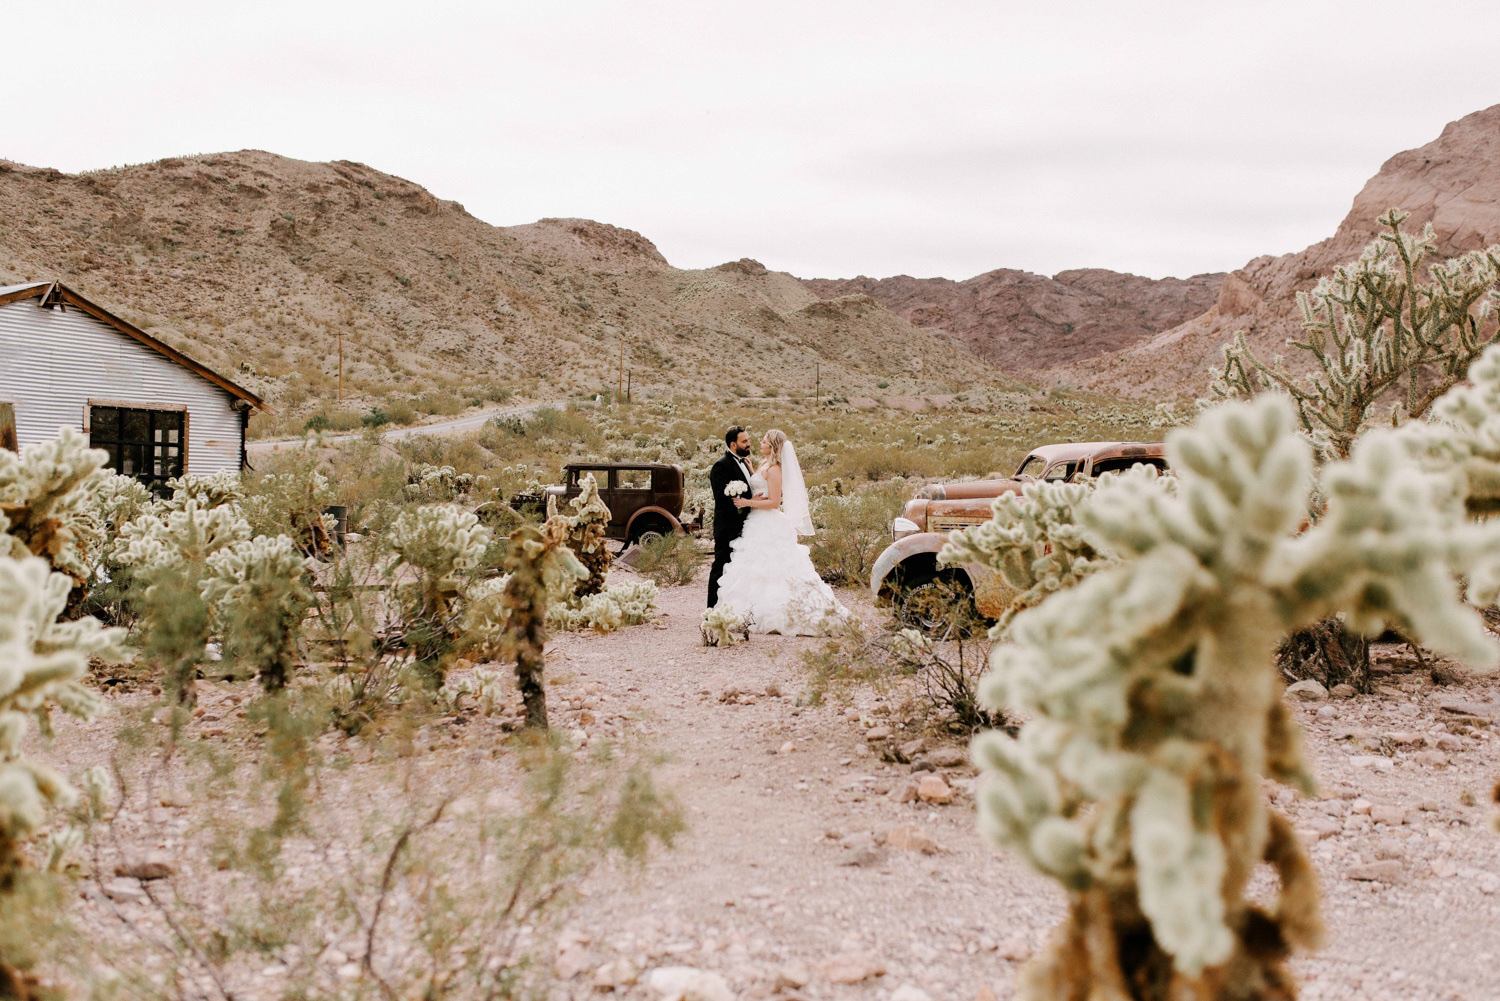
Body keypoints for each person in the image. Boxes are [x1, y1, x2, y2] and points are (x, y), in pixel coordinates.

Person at [715, 429, 849, 634]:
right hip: (755, 522)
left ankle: (777, 612)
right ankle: (751, 609)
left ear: (773, 446)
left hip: (767, 522)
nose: (759, 443)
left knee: (772, 569)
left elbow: (775, 502)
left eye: (764, 441)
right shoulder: (762, 464)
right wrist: (751, 473)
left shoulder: (775, 468)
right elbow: (761, 487)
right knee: (756, 570)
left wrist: (747, 502)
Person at [707, 426, 754, 608]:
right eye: (744, 441)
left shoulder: (746, 463)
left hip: (747, 526)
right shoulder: (721, 466)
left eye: (748, 440)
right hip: (728, 527)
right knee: (721, 566)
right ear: (733, 445)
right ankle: (711, 608)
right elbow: (722, 499)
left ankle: (734, 608)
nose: (749, 444)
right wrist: (748, 502)